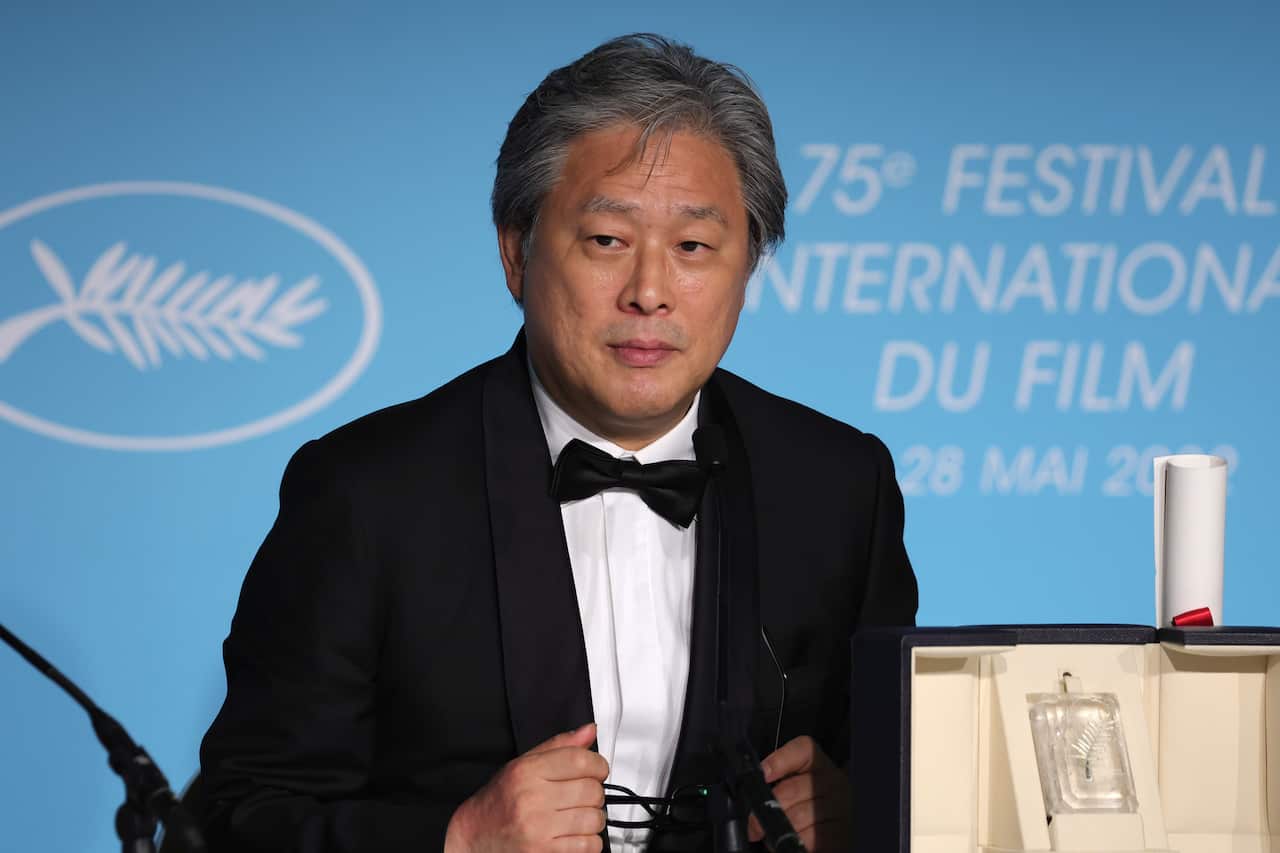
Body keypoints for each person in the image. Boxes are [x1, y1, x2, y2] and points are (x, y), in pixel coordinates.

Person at [198, 33, 917, 853]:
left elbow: (911, 777)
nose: (650, 292)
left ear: (747, 266)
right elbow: (235, 816)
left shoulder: (838, 486)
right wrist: (456, 840)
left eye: (693, 247)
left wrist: (869, 811)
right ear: (517, 252)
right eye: (608, 239)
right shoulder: (366, 492)